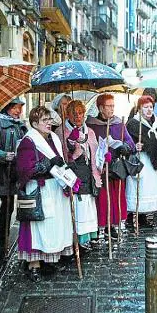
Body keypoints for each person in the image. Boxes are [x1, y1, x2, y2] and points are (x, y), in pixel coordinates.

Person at [16, 106, 74, 282]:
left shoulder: (54, 138)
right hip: (39, 190)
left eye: (50, 119)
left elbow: (61, 159)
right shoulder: (28, 141)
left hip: (55, 187)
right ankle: (34, 265)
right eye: (44, 120)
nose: (49, 123)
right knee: (38, 228)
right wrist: (47, 164)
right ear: (34, 124)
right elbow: (24, 170)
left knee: (53, 227)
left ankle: (50, 259)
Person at [86, 94, 136, 240]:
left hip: (115, 169)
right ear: (100, 108)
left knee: (114, 199)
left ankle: (112, 226)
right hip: (100, 169)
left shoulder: (118, 124)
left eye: (113, 105)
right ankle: (98, 227)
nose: (112, 109)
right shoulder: (91, 125)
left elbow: (130, 143)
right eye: (109, 106)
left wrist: (124, 147)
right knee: (101, 200)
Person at [0, 97, 28, 259]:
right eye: (15, 108)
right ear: (7, 107)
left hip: (17, 172)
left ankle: (18, 240)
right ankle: (3, 242)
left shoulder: (21, 125)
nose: (18, 111)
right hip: (3, 173)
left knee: (19, 206)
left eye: (20, 108)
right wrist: (3, 155)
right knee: (7, 207)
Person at [55, 100, 101, 250]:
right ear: (68, 115)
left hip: (89, 175)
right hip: (74, 176)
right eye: (74, 114)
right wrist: (74, 154)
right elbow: (59, 160)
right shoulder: (61, 132)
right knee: (77, 209)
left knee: (88, 208)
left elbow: (96, 152)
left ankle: (86, 239)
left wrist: (102, 159)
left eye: (80, 113)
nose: (78, 116)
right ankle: (75, 242)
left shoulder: (90, 132)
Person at [126, 96, 157, 227]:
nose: (149, 110)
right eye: (145, 107)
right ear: (139, 108)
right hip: (141, 159)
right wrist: (134, 147)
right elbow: (126, 143)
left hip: (153, 162)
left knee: (149, 189)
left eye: (150, 107)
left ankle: (144, 217)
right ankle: (133, 217)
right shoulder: (133, 124)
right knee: (138, 188)